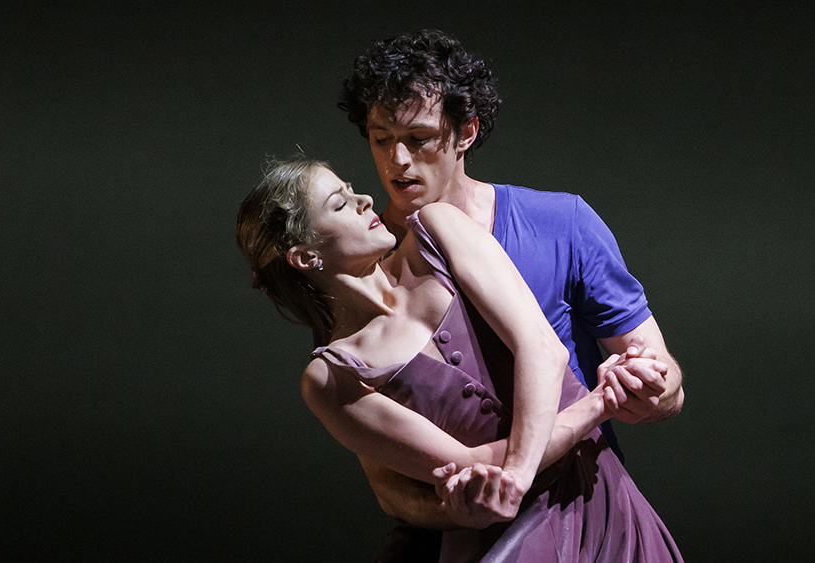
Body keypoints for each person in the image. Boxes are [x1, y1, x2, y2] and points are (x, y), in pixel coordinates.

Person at [337, 30, 685, 559]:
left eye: (419, 138)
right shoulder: (363, 269)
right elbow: (385, 479)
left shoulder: (561, 223)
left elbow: (665, 380)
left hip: (577, 517)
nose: (398, 161)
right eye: (381, 138)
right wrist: (463, 508)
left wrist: (651, 387)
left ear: (466, 131)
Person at [236, 157, 682, 561]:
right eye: (339, 203)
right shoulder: (331, 377)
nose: (364, 198)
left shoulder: (439, 228)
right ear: (305, 256)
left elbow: (542, 348)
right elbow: (467, 466)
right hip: (506, 539)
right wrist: (599, 404)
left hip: (600, 496)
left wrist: (516, 474)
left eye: (352, 188)